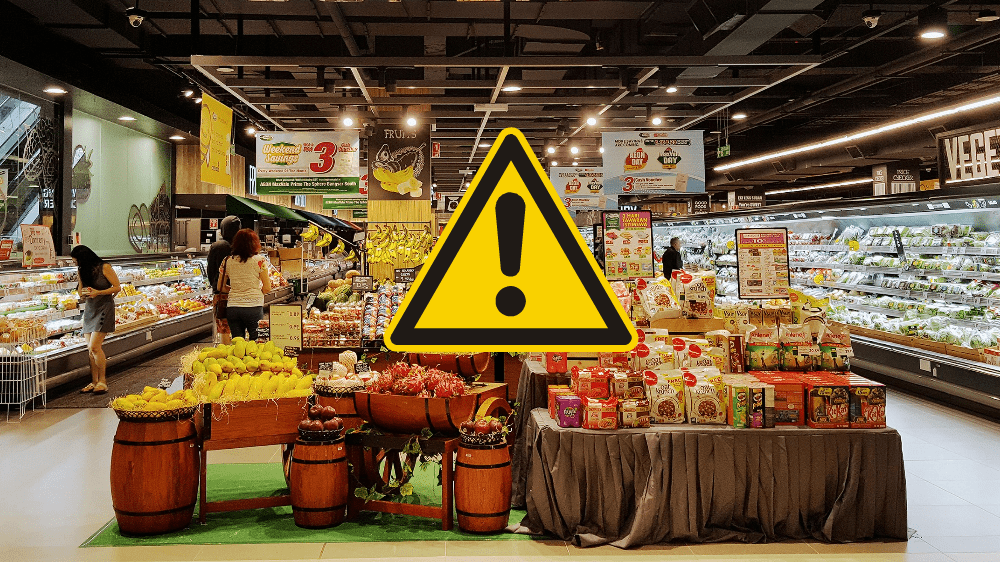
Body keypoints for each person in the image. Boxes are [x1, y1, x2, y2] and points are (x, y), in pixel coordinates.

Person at [71, 245, 121, 395]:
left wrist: (99, 292)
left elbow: (117, 287)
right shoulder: (82, 270)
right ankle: (94, 382)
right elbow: (81, 293)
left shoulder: (104, 267)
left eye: (76, 260)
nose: (75, 263)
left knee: (95, 347)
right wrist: (82, 284)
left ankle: (103, 381)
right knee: (90, 349)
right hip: (90, 309)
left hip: (104, 308)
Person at [220, 229, 272, 342]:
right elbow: (267, 287)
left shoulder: (227, 260)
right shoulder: (260, 260)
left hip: (233, 307)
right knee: (256, 343)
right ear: (255, 243)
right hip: (253, 307)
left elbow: (221, 287)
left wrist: (237, 290)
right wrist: (255, 293)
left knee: (237, 343)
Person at [207, 216, 241, 344]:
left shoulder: (217, 246)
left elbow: (210, 270)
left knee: (224, 328)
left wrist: (215, 286)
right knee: (239, 328)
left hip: (221, 294)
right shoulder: (242, 247)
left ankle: (225, 353)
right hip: (240, 292)